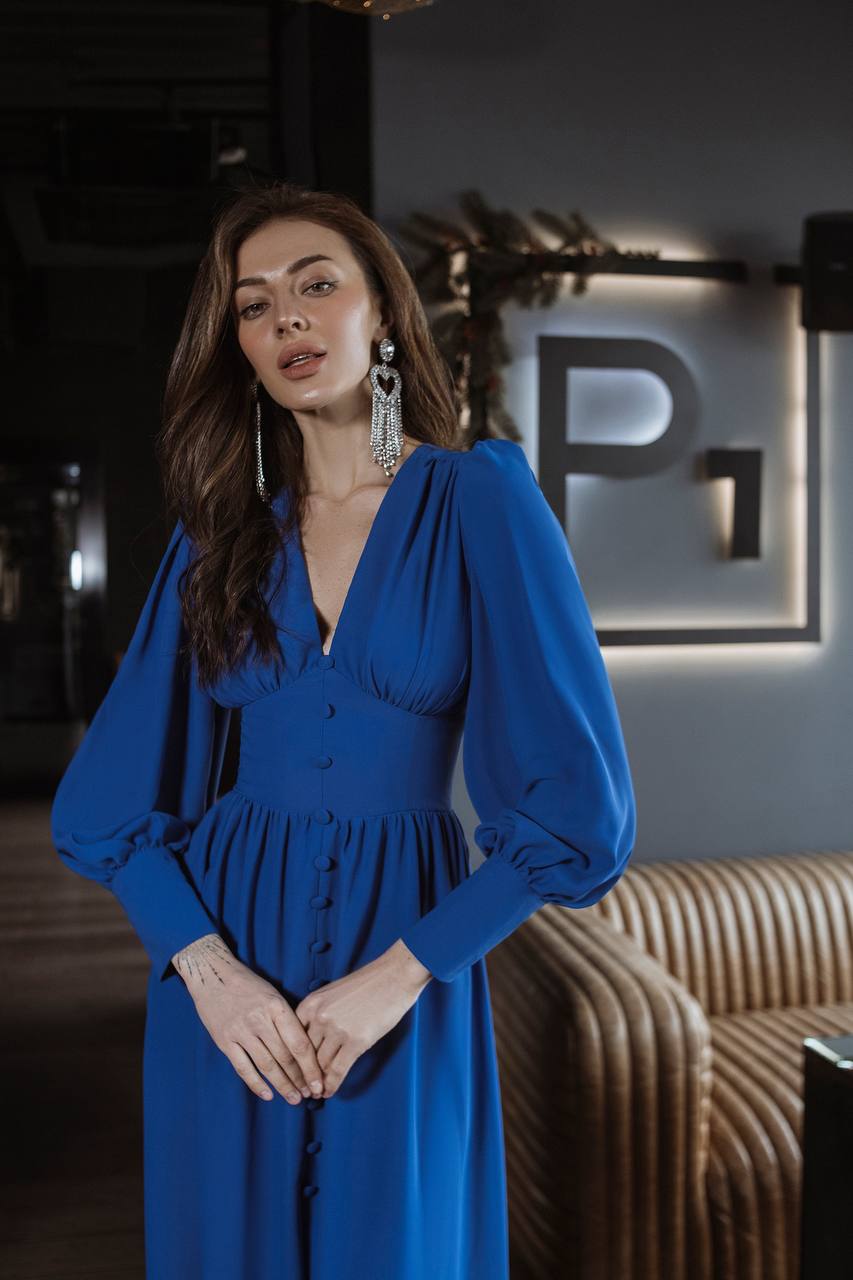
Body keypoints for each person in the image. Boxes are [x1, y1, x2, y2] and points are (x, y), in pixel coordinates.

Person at [50, 179, 637, 1280]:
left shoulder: (479, 501)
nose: (287, 321)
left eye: (318, 286)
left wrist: (404, 972)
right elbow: (113, 797)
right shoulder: (217, 536)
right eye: (254, 305)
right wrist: (206, 971)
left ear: (382, 317)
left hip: (402, 955)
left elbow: (577, 805)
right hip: (223, 972)